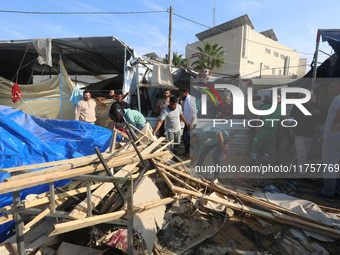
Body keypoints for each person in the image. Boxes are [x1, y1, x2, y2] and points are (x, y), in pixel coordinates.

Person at [313, 80, 340, 202]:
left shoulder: (338, 99)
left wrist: (336, 124)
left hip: (333, 136)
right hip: (335, 137)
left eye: (332, 86)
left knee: (329, 165)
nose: (329, 88)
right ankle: (336, 190)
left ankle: (328, 192)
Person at [290, 90, 321, 170]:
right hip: (299, 132)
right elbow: (291, 118)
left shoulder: (314, 105)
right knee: (302, 153)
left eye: (311, 96)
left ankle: (294, 163)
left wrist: (318, 113)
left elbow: (320, 114)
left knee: (304, 152)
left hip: (310, 133)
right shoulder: (297, 106)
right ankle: (301, 172)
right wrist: (291, 130)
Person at [250, 94, 281, 165]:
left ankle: (265, 161)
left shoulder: (280, 110)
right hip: (263, 129)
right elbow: (259, 116)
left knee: (269, 146)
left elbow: (280, 121)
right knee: (256, 144)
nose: (277, 100)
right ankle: (253, 160)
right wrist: (257, 126)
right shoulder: (265, 107)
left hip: (273, 131)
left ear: (280, 100)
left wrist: (280, 131)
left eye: (278, 98)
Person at [180, 87, 198, 157]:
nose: (181, 95)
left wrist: (191, 123)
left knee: (187, 138)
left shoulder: (190, 99)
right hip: (188, 122)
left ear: (186, 93)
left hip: (191, 123)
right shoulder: (186, 100)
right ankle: (188, 152)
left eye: (182, 94)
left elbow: (193, 111)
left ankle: (190, 153)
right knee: (186, 138)